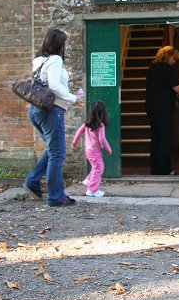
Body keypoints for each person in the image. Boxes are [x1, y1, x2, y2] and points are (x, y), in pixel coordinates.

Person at [23, 29, 84, 207]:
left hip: (35, 110)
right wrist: (73, 98)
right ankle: (56, 197)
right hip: (51, 111)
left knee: (52, 149)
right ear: (59, 44)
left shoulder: (39, 60)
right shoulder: (55, 60)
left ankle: (33, 181)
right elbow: (54, 85)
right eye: (64, 43)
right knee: (57, 153)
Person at [145, 45, 179, 175]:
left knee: (155, 138)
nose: (174, 62)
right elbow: (177, 87)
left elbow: (160, 87)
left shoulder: (152, 68)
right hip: (163, 109)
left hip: (151, 108)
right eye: (174, 58)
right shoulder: (166, 68)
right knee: (165, 139)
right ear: (168, 56)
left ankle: (155, 169)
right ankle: (164, 169)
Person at [72, 100, 112, 198]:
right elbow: (102, 139)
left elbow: (78, 132)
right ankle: (92, 190)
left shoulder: (87, 124)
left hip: (88, 150)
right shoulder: (100, 125)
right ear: (103, 113)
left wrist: (75, 141)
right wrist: (108, 149)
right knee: (99, 168)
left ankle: (88, 180)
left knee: (96, 167)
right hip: (95, 150)